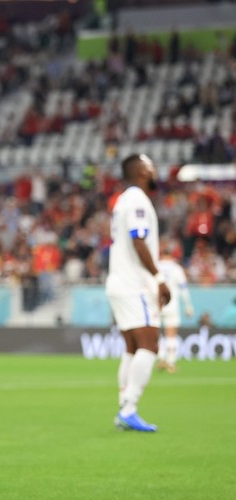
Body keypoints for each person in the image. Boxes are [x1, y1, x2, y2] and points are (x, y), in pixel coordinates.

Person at [105, 153, 171, 433]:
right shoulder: (138, 200)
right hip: (134, 284)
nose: (155, 170)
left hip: (118, 281)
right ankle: (129, 408)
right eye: (151, 166)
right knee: (150, 345)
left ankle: (124, 406)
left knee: (132, 347)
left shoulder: (122, 201)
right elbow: (138, 239)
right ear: (142, 171)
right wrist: (158, 278)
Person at [156, 243, 194, 372]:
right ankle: (171, 363)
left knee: (157, 333)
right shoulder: (176, 269)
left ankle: (161, 358)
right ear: (172, 255)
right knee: (171, 335)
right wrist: (188, 306)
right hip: (172, 305)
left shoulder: (156, 266)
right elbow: (183, 288)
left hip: (157, 305)